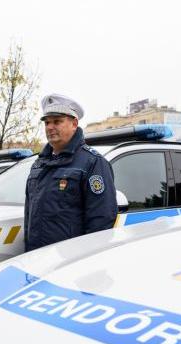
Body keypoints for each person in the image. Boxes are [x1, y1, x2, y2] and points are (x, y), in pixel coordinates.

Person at [24, 93, 117, 251]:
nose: (50, 127)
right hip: (36, 259)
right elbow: (30, 216)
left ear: (74, 124)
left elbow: (101, 222)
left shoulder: (92, 163)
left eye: (57, 121)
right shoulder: (39, 163)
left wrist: (81, 262)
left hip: (70, 264)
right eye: (47, 122)